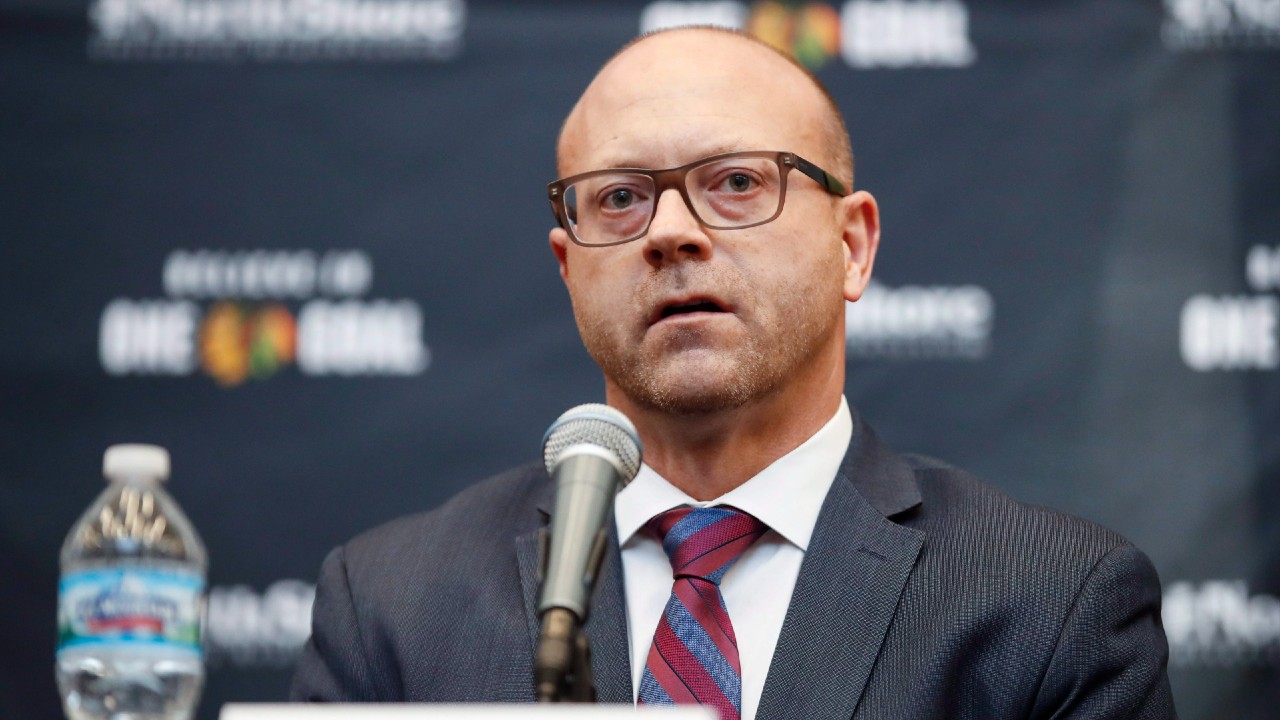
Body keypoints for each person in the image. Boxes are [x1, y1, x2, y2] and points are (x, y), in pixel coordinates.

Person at [291, 27, 1176, 719]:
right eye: (621, 197)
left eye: (738, 182)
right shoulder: (392, 605)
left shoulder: (1048, 601)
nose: (671, 232)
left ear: (852, 245)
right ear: (569, 268)